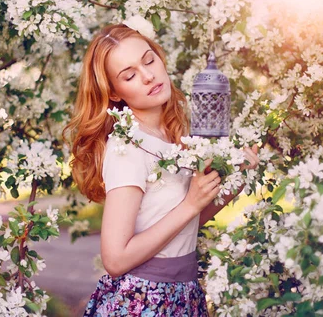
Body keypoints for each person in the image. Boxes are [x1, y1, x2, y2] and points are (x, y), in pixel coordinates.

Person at [63, 23, 259, 316]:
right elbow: (115, 259)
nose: (148, 76)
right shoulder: (128, 147)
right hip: (145, 299)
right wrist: (191, 203)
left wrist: (235, 179)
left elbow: (183, 226)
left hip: (184, 294)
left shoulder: (172, 137)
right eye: (129, 75)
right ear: (114, 93)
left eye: (149, 60)